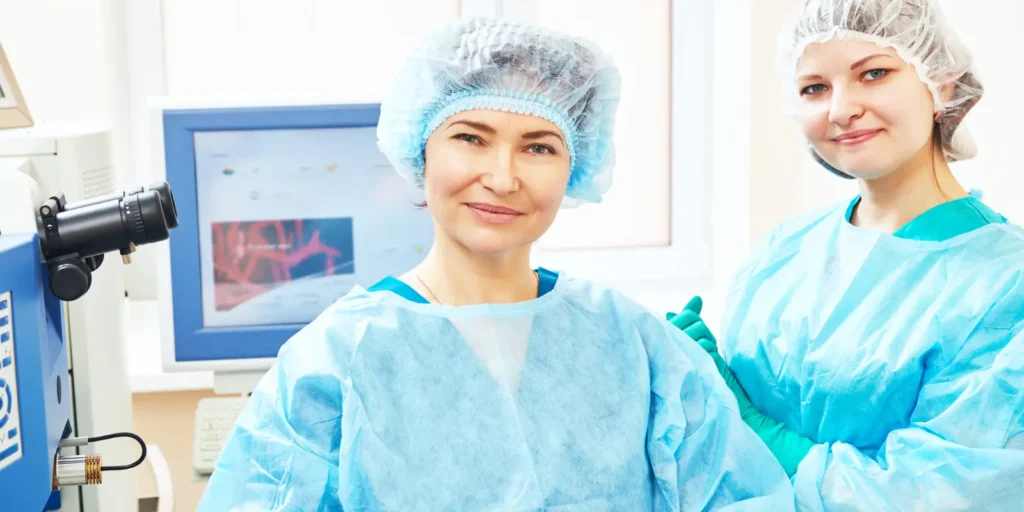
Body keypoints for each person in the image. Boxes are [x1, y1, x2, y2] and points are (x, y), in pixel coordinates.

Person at [197, 17, 794, 511]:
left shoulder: (636, 344)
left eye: (539, 147)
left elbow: (739, 498)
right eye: (471, 137)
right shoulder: (333, 362)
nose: (503, 178)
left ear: (574, 167)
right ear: (419, 150)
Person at [667, 0, 1024, 510]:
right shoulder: (784, 250)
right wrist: (701, 375)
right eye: (814, 88)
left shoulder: (1006, 284)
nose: (840, 109)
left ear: (942, 83)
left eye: (873, 74)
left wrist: (748, 423)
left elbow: (938, 493)